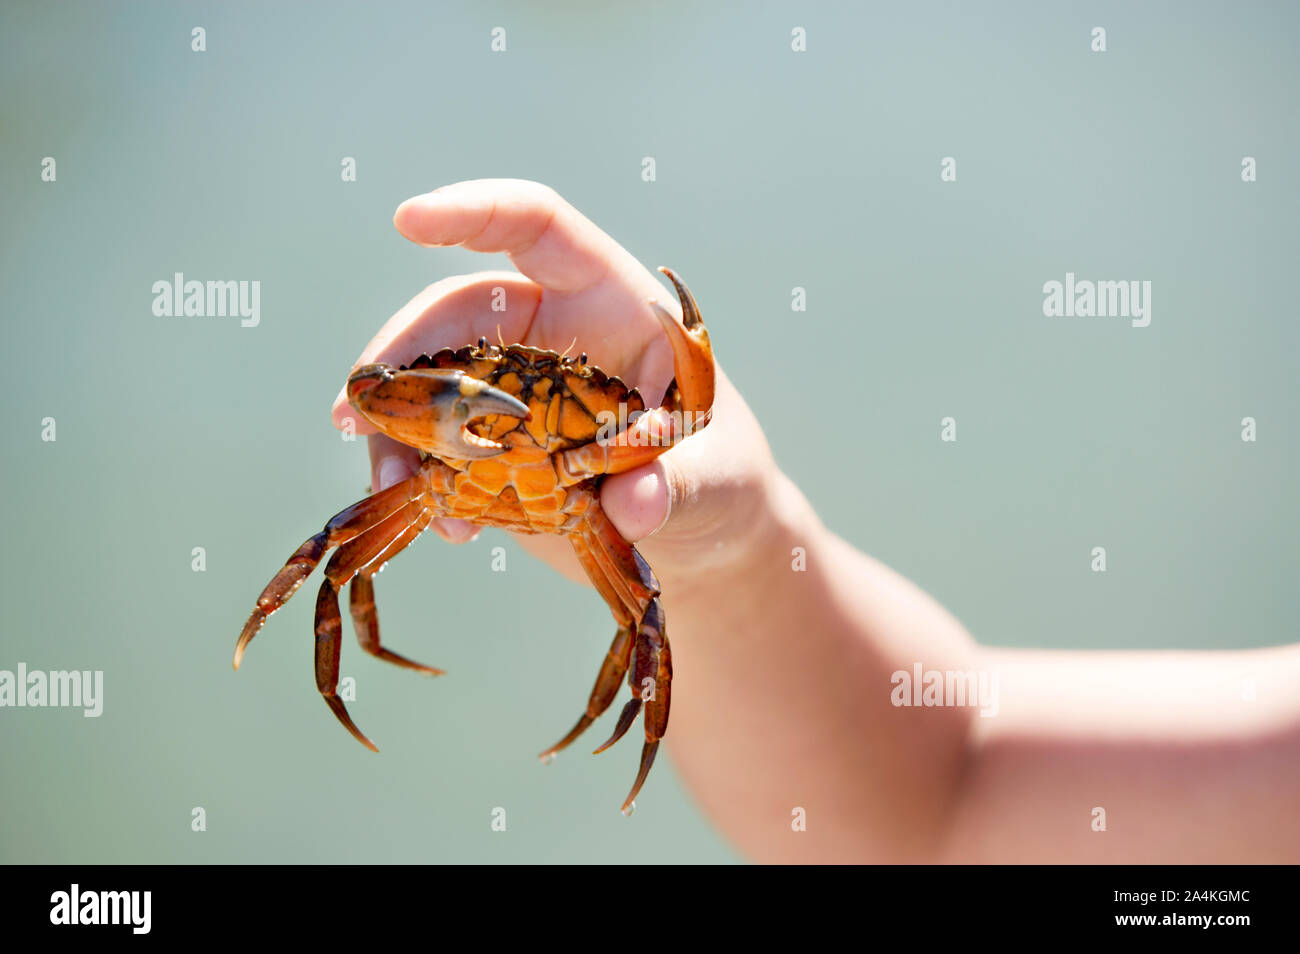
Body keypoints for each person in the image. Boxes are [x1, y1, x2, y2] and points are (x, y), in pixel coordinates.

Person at [330, 179, 1300, 863]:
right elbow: (932, 807)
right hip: (565, 493)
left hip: (594, 476)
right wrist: (728, 545)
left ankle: (602, 713)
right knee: (348, 560)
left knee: (641, 631)